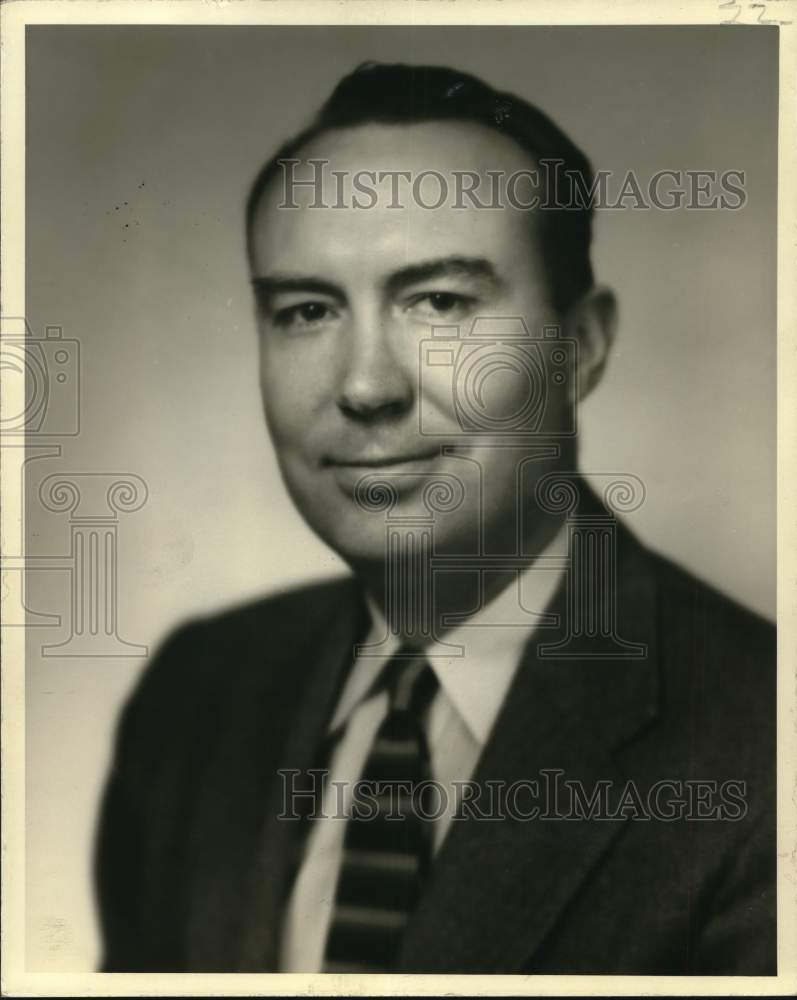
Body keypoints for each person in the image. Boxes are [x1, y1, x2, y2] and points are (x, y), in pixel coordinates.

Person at [95, 62, 776, 975]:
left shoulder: (768, 748)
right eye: (305, 310)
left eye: (441, 304)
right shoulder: (197, 696)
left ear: (580, 347)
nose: (366, 386)